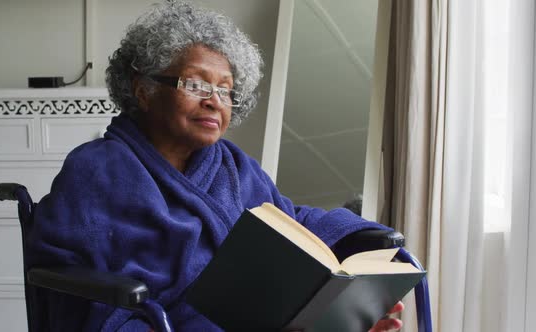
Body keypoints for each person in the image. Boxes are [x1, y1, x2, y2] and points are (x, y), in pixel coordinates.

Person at [26, 1, 404, 331]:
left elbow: (287, 220)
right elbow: (65, 271)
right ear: (143, 91)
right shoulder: (96, 169)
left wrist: (353, 236)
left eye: (225, 90)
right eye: (195, 84)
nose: (215, 101)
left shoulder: (235, 167)